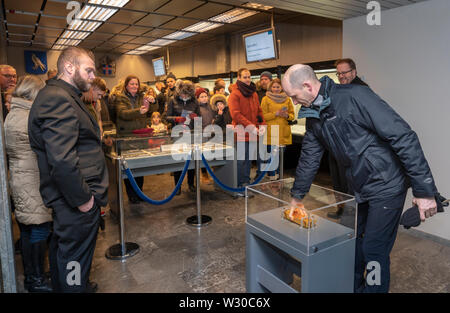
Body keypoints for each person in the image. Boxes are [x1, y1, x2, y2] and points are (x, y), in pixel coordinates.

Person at [282, 64, 438, 293]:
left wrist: (424, 191)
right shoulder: (314, 116)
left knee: (374, 250)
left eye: (294, 96)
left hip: (387, 183)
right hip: (358, 184)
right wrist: (296, 196)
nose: (294, 103)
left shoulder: (356, 96)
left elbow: (403, 136)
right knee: (351, 243)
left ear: (307, 86)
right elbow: (309, 156)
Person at [28, 46, 108, 292]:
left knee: (66, 254)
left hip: (72, 198)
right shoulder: (57, 98)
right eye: (88, 71)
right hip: (75, 200)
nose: (93, 77)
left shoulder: (67, 95)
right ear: (69, 67)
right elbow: (62, 160)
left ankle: (74, 285)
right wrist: (83, 199)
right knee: (74, 258)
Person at [4, 75, 52, 293]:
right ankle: (35, 279)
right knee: (39, 228)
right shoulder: (28, 117)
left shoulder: (14, 113)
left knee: (26, 230)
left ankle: (34, 275)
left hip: (22, 179)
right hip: (32, 180)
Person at [328, 58, 371, 218]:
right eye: (338, 73)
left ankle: (352, 217)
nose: (341, 76)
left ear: (354, 72)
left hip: (353, 149)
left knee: (351, 184)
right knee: (338, 182)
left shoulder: (362, 91)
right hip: (337, 146)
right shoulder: (340, 90)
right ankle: (342, 210)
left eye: (344, 73)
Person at [114, 75, 158, 203]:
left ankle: (140, 192)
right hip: (127, 136)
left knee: (140, 165)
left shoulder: (141, 97)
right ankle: (131, 194)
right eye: (132, 84)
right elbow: (123, 114)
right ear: (126, 85)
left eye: (136, 84)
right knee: (129, 167)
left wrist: (153, 102)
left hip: (141, 135)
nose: (134, 86)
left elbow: (153, 111)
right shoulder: (120, 98)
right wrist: (139, 111)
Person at [228, 68, 265, 192]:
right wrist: (251, 126)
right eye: (245, 77)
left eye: (249, 77)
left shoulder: (253, 93)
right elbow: (236, 115)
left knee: (248, 160)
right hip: (241, 132)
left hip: (253, 132)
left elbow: (259, 111)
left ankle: (246, 183)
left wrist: (262, 125)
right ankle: (239, 186)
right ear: (238, 78)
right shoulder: (235, 94)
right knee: (241, 161)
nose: (248, 79)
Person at [166, 80, 199, 194]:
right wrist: (176, 119)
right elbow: (166, 117)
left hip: (191, 133)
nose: (185, 96)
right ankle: (177, 186)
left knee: (191, 160)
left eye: (187, 94)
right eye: (183, 94)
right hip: (177, 133)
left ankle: (191, 184)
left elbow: (199, 116)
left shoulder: (195, 101)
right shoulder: (172, 100)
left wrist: (195, 117)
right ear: (179, 92)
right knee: (178, 160)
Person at [260, 78, 295, 180]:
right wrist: (275, 114)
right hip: (272, 131)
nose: (276, 89)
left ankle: (279, 175)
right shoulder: (265, 99)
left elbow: (292, 115)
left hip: (284, 131)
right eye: (274, 87)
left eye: (278, 87)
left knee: (280, 157)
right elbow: (262, 116)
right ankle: (272, 176)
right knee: (272, 156)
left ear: (282, 87)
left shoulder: (287, 99)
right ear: (270, 87)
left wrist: (287, 115)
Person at [196, 87, 215, 184]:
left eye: (205, 96)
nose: (204, 98)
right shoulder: (197, 108)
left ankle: (211, 174)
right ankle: (204, 175)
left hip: (211, 133)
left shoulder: (210, 106)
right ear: (197, 98)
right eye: (201, 97)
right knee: (202, 155)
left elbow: (213, 117)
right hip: (201, 134)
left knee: (210, 155)